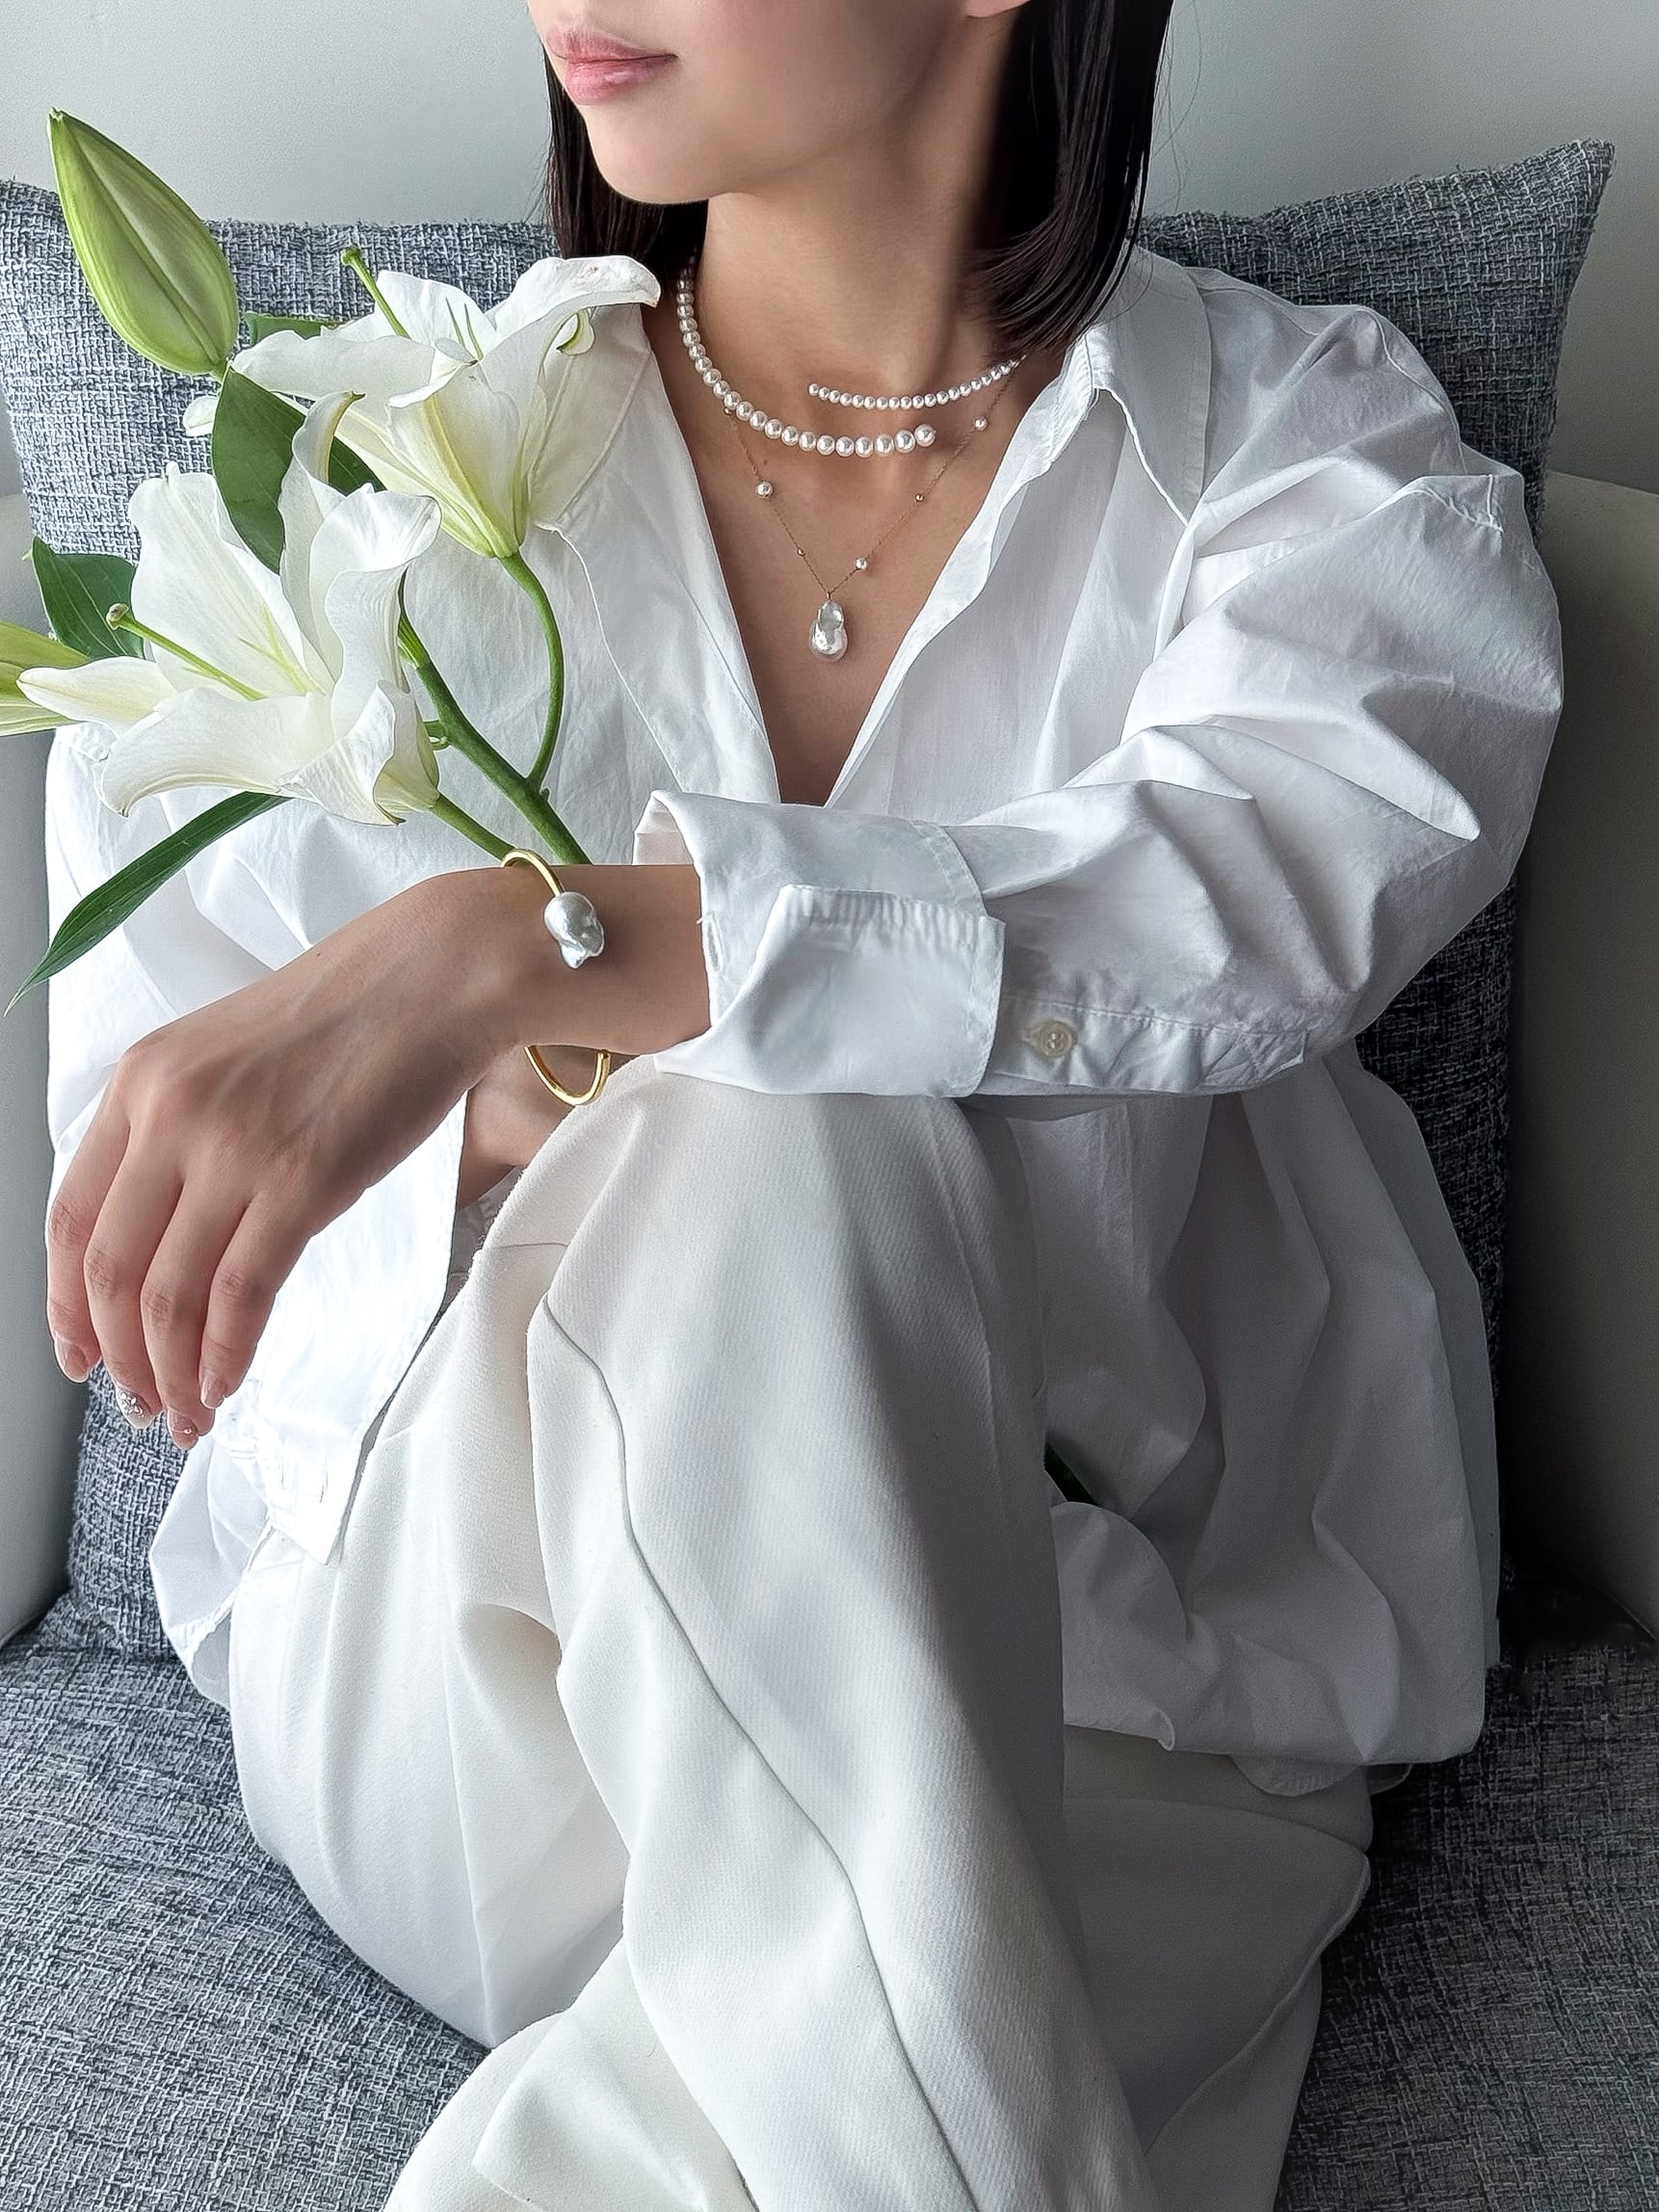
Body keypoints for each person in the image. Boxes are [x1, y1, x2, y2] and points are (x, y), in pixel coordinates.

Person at [39, 1, 1565, 2206]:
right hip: (485, 1694)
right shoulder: (359, 482)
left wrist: (527, 943)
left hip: (1131, 1710)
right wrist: (509, 1107)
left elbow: (1272, 885)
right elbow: (171, 1233)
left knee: (855, 2063)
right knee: (772, 1119)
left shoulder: (1299, 450)